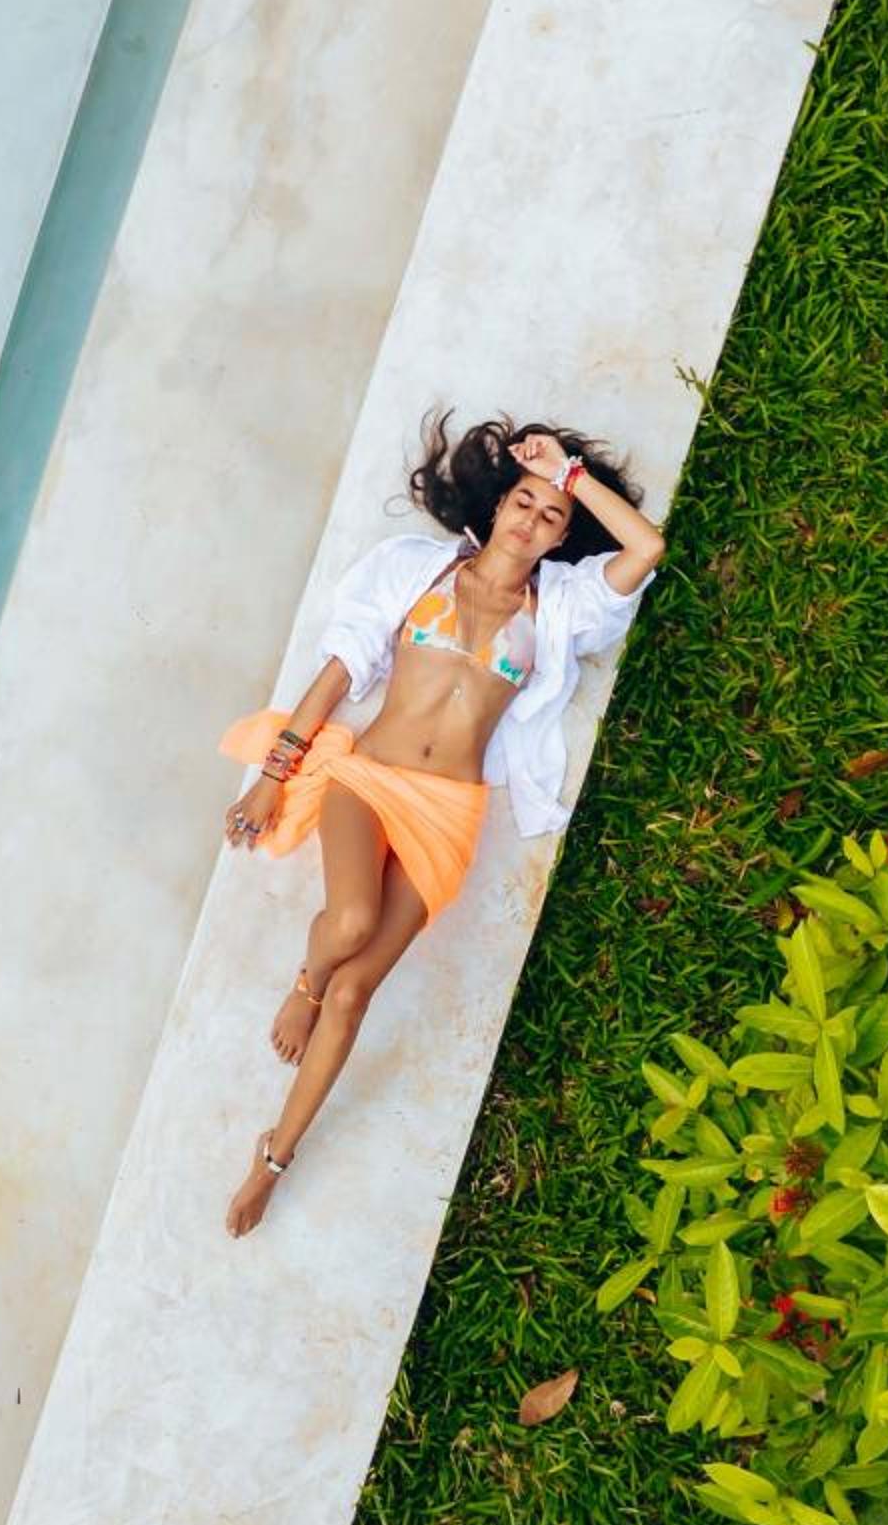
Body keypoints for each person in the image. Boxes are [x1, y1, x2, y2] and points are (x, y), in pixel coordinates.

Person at [219, 413, 665, 1236]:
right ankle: (304, 983)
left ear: (562, 534)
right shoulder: (415, 571)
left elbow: (647, 548)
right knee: (348, 926)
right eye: (524, 502)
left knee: (358, 993)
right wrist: (272, 777)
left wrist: (569, 473)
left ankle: (273, 1158)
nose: (532, 520)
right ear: (497, 505)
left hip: (448, 813)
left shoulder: (562, 607)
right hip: (370, 778)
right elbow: (341, 670)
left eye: (552, 515)